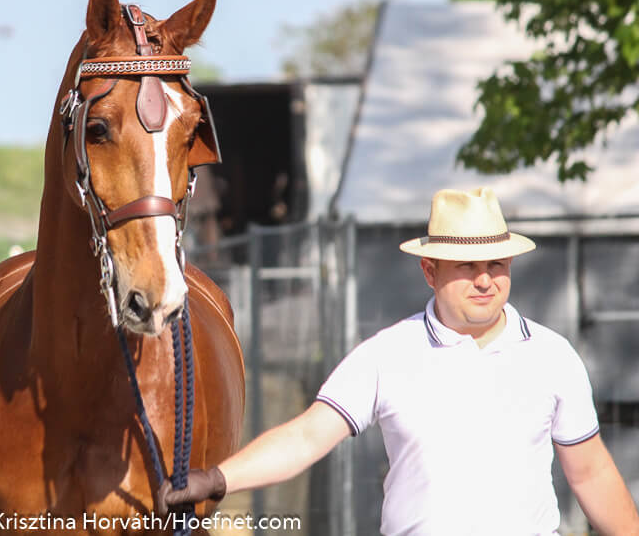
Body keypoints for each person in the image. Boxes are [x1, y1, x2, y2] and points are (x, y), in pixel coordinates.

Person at [158, 187, 639, 535]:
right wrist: (219, 478)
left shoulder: (552, 355)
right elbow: (307, 436)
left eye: (496, 265)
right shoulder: (386, 355)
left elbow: (591, 472)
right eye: (467, 267)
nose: (485, 280)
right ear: (429, 271)